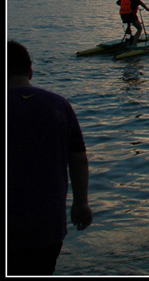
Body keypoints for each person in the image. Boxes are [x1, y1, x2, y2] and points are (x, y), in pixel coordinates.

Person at [8, 41, 93, 275]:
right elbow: (78, 159)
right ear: (31, 72)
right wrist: (81, 203)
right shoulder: (59, 104)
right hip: (47, 225)